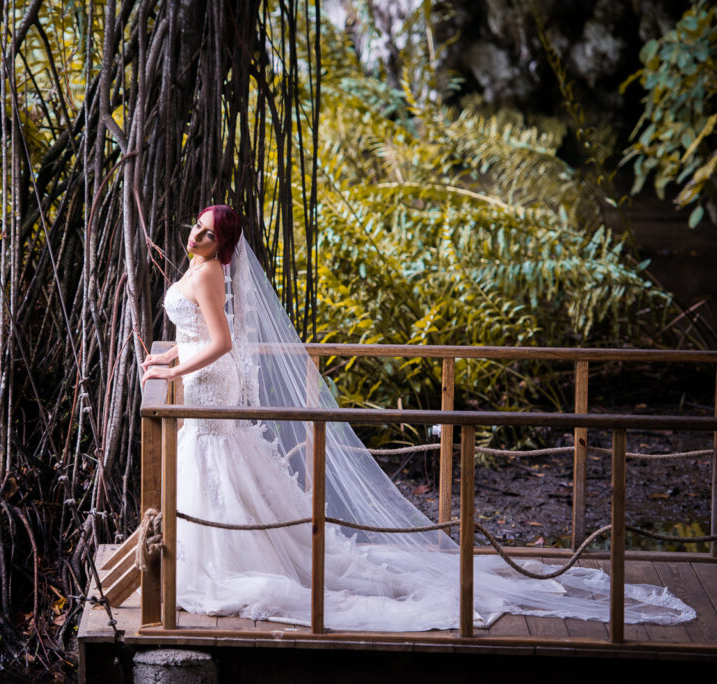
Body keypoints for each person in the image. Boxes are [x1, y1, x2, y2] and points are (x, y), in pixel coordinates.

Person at [139, 205, 695, 631]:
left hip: (214, 378)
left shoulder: (211, 272)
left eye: (208, 233)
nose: (196, 236)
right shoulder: (197, 268)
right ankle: (210, 552)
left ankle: (232, 557)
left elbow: (221, 341)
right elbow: (192, 334)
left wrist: (172, 373)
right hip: (200, 374)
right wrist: (168, 355)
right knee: (214, 460)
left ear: (223, 245)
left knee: (216, 456)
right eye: (197, 227)